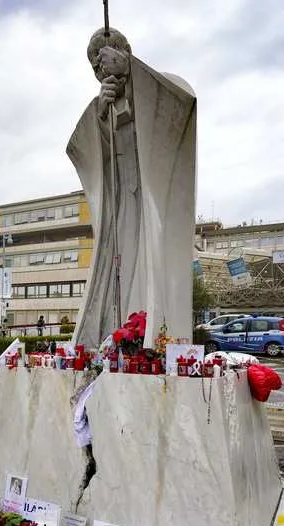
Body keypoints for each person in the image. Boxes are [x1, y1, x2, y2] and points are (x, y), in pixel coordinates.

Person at [69, 27, 196, 348]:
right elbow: (88, 154)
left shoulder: (159, 87)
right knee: (121, 269)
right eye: (96, 67)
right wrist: (100, 117)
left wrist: (130, 71)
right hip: (123, 203)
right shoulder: (103, 106)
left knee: (151, 268)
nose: (101, 71)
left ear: (123, 52)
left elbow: (182, 104)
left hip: (155, 198)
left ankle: (154, 339)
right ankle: (120, 337)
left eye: (105, 61)